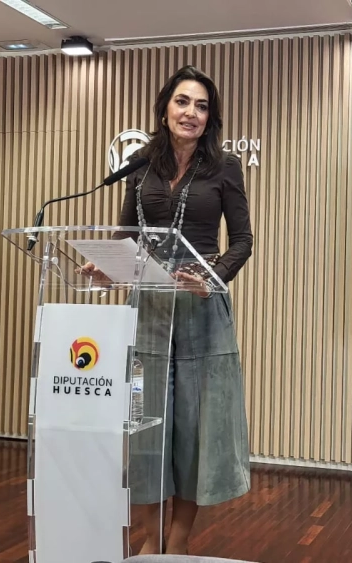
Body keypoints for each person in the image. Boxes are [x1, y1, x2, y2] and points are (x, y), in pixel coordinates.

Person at [80, 65, 253, 555]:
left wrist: (212, 278)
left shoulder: (224, 167)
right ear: (164, 109)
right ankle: (150, 542)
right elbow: (126, 234)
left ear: (210, 117)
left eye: (201, 106)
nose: (191, 112)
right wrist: (107, 266)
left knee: (194, 430)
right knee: (148, 426)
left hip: (200, 306)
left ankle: (175, 545)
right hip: (149, 306)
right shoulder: (140, 163)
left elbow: (243, 239)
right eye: (182, 101)